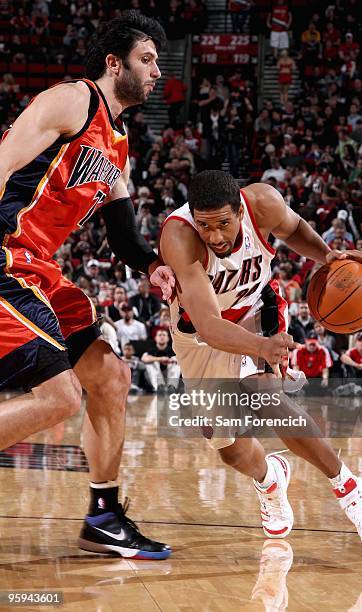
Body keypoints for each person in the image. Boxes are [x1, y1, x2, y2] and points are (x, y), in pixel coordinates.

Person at [0, 11, 174, 559]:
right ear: (113, 62)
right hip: (4, 255)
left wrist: (152, 267)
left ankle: (102, 516)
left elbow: (123, 236)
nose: (156, 72)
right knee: (60, 397)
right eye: (146, 60)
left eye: (158, 64)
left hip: (40, 269)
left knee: (111, 377)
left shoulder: (118, 144)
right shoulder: (73, 100)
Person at [160, 169, 362, 549]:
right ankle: (270, 478)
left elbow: (295, 227)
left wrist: (328, 256)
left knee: (265, 394)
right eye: (205, 226)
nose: (215, 236)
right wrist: (258, 347)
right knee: (231, 450)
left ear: (240, 210)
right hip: (202, 336)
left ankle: (353, 492)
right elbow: (209, 325)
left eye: (223, 224)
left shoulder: (263, 202)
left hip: (257, 307)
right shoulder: (179, 237)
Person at [141, 328, 181, 393]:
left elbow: (181, 360)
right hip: (155, 376)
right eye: (160, 335)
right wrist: (160, 359)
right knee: (150, 363)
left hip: (169, 375)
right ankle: (159, 386)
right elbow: (143, 359)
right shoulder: (151, 349)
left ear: (168, 338)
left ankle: (171, 386)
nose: (162, 337)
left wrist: (170, 361)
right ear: (155, 338)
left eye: (164, 335)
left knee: (176, 361)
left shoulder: (173, 349)